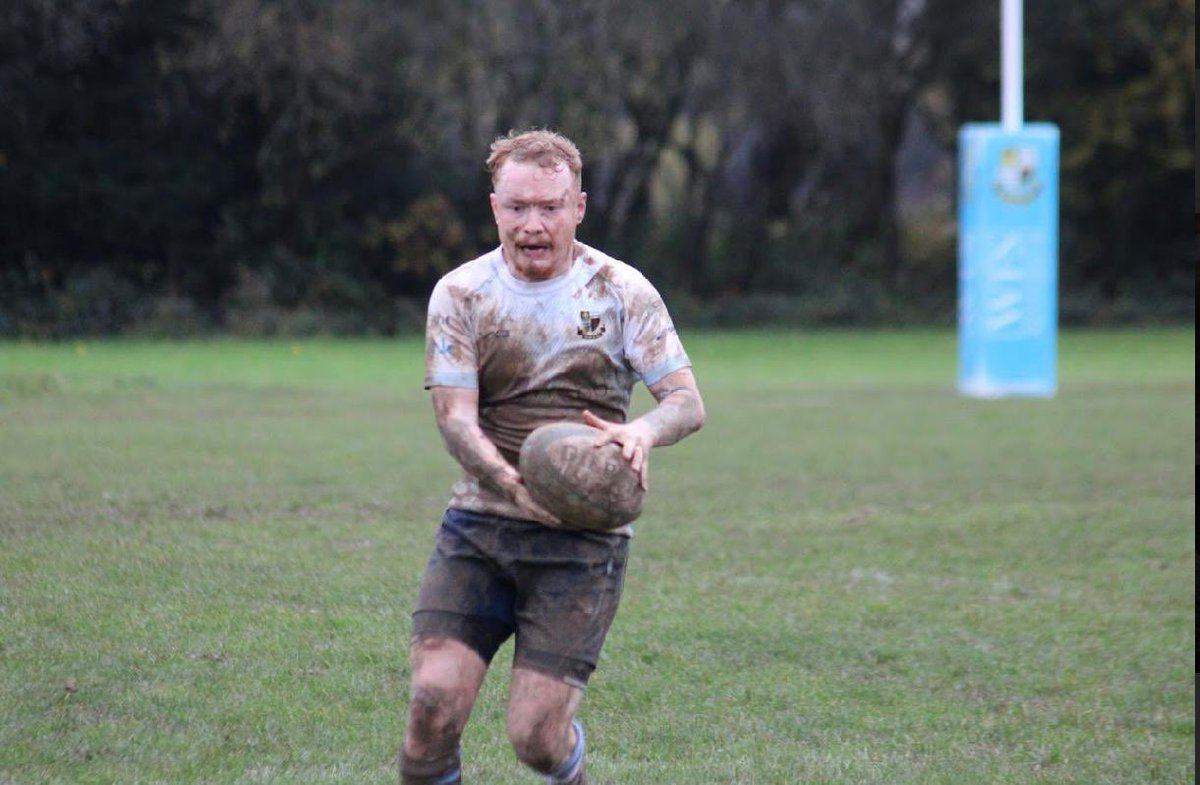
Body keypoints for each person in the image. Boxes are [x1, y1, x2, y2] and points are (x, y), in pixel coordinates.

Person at [400, 128, 705, 785]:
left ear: (579, 208)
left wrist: (644, 433)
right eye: (517, 208)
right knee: (431, 706)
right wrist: (513, 484)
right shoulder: (461, 294)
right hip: (480, 523)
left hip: (582, 541)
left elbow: (686, 402)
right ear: (494, 208)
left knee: (536, 737)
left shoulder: (622, 291)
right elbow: (454, 418)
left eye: (549, 207)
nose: (532, 224)